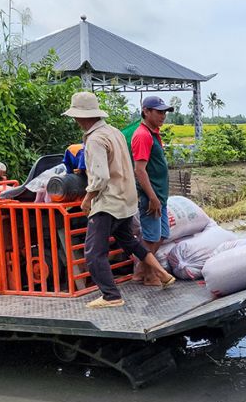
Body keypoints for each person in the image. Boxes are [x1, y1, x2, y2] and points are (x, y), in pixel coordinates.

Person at [61, 91, 174, 308]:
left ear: (82, 117)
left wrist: (87, 199)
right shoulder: (114, 132)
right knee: (129, 241)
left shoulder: (95, 139)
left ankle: (111, 296)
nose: (75, 121)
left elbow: (101, 176)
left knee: (94, 253)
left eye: (75, 117)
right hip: (126, 199)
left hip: (108, 202)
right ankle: (163, 273)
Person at [130, 95, 173, 285]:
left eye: (164, 112)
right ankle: (148, 275)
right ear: (146, 112)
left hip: (160, 196)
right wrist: (152, 197)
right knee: (150, 237)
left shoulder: (153, 133)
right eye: (159, 112)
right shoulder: (142, 135)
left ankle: (141, 271)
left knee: (162, 234)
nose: (163, 116)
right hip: (152, 196)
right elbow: (139, 170)